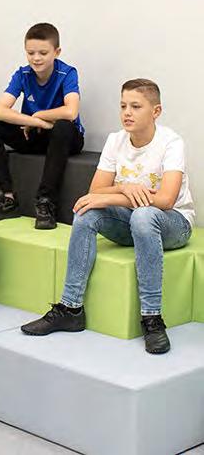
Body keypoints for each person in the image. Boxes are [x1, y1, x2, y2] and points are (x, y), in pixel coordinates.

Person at [21, 79, 195, 354]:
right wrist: (125, 188)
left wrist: (116, 195)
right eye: (123, 106)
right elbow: (95, 192)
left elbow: (165, 200)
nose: (127, 113)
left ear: (156, 111)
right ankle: (71, 308)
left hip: (173, 223)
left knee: (143, 216)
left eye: (136, 106)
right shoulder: (116, 140)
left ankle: (152, 318)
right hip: (133, 221)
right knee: (86, 211)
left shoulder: (171, 142)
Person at [0, 22, 84, 229]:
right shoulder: (22, 74)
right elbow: (0, 111)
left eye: (43, 53)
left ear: (57, 52)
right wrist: (35, 121)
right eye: (31, 53)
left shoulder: (67, 73)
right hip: (34, 133)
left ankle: (46, 202)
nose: (36, 58)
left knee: (63, 126)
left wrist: (39, 114)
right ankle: (6, 197)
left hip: (63, 137)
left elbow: (71, 111)